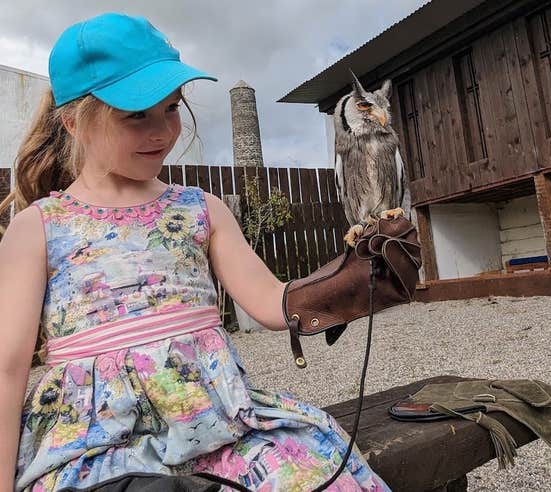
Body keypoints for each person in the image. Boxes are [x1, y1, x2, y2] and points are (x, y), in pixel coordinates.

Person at [0, 13, 389, 492]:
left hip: (220, 428)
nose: (163, 130)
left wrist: (352, 281)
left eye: (170, 107)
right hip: (96, 450)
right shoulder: (38, 227)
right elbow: (7, 368)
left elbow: (271, 300)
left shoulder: (200, 209)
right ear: (74, 122)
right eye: (136, 114)